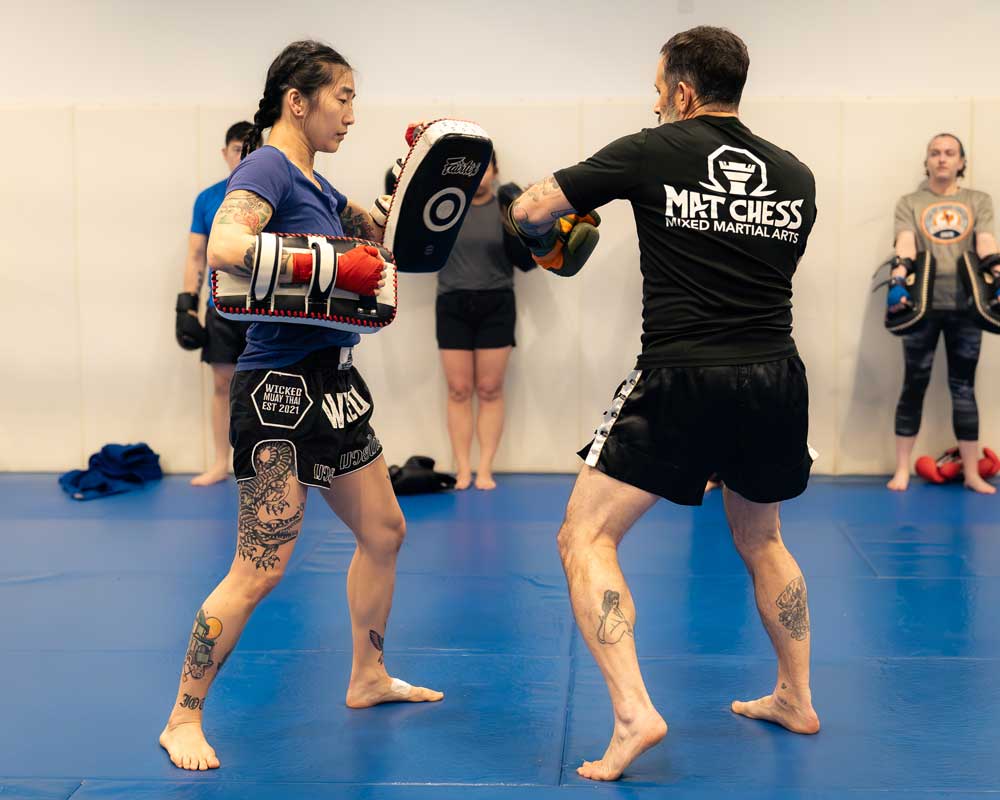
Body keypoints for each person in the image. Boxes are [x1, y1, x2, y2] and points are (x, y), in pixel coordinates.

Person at [508, 26, 821, 781]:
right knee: (762, 539)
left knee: (584, 538)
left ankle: (632, 713)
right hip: (775, 377)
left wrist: (554, 239)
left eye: (658, 88)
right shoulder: (797, 174)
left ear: (682, 90)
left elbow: (528, 209)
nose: (654, 102)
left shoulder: (651, 149)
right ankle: (797, 696)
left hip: (682, 375)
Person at [159, 40, 442, 773]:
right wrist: (323, 263)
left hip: (335, 388)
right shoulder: (266, 168)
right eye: (341, 97)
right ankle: (182, 716)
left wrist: (418, 186)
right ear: (298, 99)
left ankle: (367, 676)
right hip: (278, 391)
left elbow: (377, 234)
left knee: (385, 530)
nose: (352, 112)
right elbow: (226, 244)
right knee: (260, 565)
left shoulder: (316, 184)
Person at [886, 133, 999, 494]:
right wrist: (897, 280)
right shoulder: (911, 202)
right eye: (935, 153)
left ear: (962, 162)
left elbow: (985, 241)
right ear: (927, 160)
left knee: (963, 388)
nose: (942, 159)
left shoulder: (977, 200)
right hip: (921, 305)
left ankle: (971, 473)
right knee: (914, 384)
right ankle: (902, 469)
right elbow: (905, 241)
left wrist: (998, 274)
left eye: (950, 153)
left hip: (967, 305)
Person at [435, 152, 534, 490]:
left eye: (485, 167)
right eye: (472, 168)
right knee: (459, 390)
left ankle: (486, 468)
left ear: (495, 170)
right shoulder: (445, 208)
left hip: (497, 303)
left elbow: (527, 261)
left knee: (490, 389)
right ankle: (463, 468)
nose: (478, 175)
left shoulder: (508, 209)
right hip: (452, 302)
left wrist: (534, 223)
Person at [175, 121, 253, 486]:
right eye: (238, 149)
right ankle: (222, 462)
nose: (243, 156)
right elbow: (195, 256)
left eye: (251, 149)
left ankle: (262, 464)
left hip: (262, 306)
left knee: (266, 387)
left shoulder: (268, 197)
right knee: (223, 385)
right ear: (225, 153)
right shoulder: (207, 199)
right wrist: (186, 306)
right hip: (222, 305)